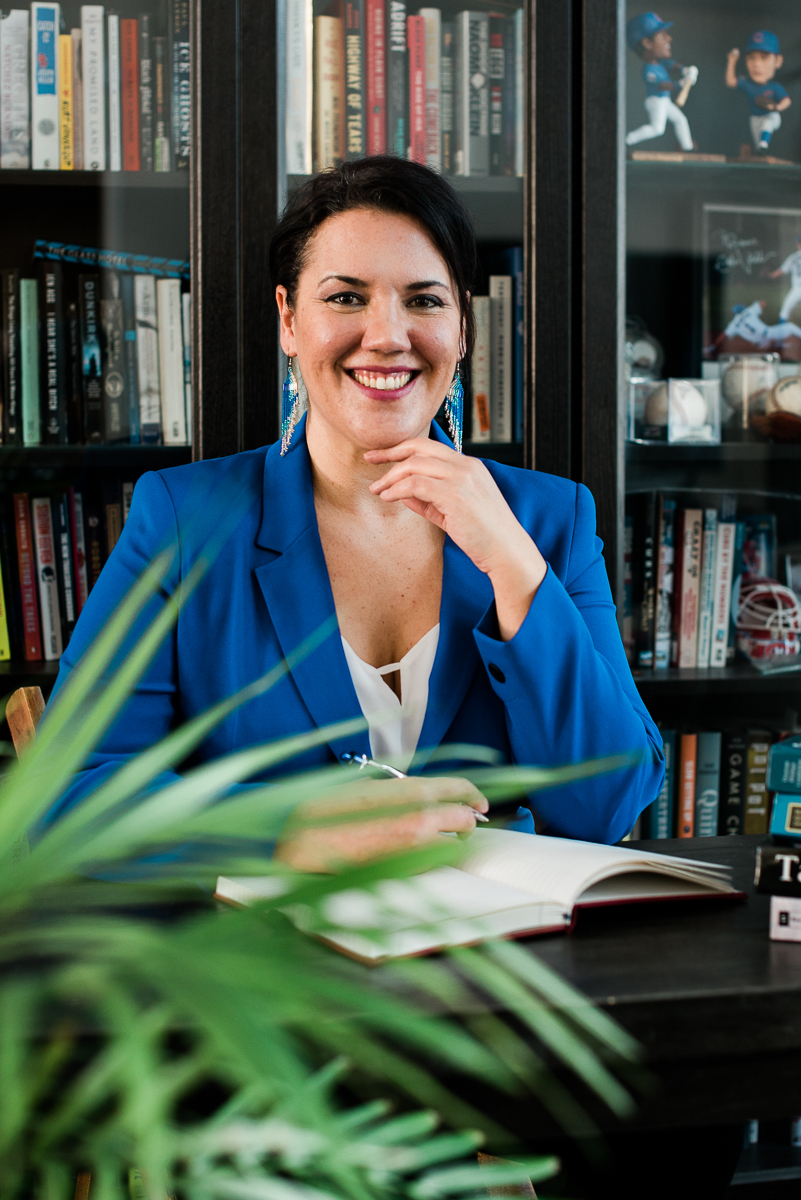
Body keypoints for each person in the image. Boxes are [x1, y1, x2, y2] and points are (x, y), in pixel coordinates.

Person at [47, 157, 664, 870]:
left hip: (496, 937)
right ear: (289, 319)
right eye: (345, 297)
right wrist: (293, 831)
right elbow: (72, 799)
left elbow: (606, 807)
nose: (387, 335)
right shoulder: (184, 520)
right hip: (264, 939)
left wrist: (513, 565)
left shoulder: (551, 519)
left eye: (425, 301)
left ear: (463, 327)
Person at [625, 12, 697, 152]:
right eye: (661, 35)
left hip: (664, 100)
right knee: (657, 129)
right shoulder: (648, 70)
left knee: (680, 120)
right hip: (656, 101)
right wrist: (681, 83)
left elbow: (673, 65)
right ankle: (628, 139)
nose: (669, 38)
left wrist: (685, 70)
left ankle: (687, 148)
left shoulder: (660, 62)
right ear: (647, 43)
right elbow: (663, 86)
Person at [726, 31, 791, 153]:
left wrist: (776, 107)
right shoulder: (749, 84)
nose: (757, 64)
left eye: (764, 57)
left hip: (771, 115)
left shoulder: (774, 87)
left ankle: (763, 145)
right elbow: (730, 81)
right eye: (752, 58)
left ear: (778, 61)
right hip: (755, 118)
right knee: (759, 145)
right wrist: (732, 60)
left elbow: (786, 100)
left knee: (767, 123)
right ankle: (760, 151)